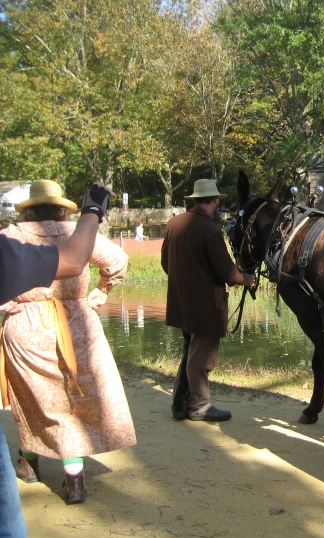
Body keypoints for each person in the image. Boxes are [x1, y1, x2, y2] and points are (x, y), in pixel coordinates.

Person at [0, 179, 136, 510]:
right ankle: (73, 477)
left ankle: (30, 463)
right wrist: (103, 290)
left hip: (26, 327)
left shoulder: (11, 237)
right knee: (73, 401)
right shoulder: (77, 233)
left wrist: (9, 306)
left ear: (29, 208)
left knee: (34, 399)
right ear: (63, 207)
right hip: (78, 325)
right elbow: (117, 259)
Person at [161, 179, 254, 423]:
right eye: (216, 201)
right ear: (213, 201)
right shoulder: (210, 230)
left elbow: (165, 264)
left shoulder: (174, 224)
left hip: (181, 302)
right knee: (201, 358)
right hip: (205, 305)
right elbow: (229, 274)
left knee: (189, 352)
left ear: (195, 200)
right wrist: (247, 279)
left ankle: (180, 405)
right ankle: (199, 407)